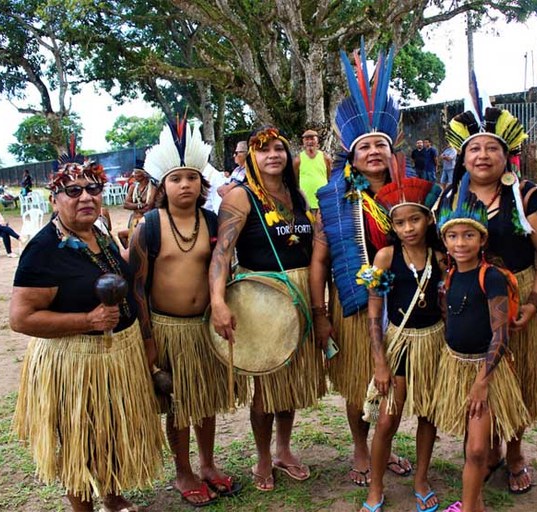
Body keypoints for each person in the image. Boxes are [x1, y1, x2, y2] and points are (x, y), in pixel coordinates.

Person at [10, 146, 163, 512]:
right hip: (74, 362)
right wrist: (87, 321)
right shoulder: (43, 250)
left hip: (117, 356)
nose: (85, 197)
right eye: (73, 190)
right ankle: (83, 508)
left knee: (109, 431)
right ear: (55, 197)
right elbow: (21, 318)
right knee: (79, 440)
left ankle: (112, 498)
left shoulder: (99, 231)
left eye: (93, 189)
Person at [438, 107, 537, 494]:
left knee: (518, 376)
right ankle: (484, 448)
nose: (483, 155)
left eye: (492, 148)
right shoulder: (449, 197)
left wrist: (535, 301)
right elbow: (441, 253)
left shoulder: (528, 196)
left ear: (507, 156)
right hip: (468, 298)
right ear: (463, 156)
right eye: (475, 148)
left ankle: (516, 452)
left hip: (516, 295)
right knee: (477, 374)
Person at [311, 43, 412, 489]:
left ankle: (384, 448)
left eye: (380, 145)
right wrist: (319, 314)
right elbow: (319, 261)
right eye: (365, 146)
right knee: (359, 381)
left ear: (391, 154)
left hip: (406, 303)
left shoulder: (413, 195)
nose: (373, 151)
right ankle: (359, 445)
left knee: (397, 380)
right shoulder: (334, 199)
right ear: (352, 155)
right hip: (353, 306)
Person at [130, 119, 240, 507]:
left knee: (204, 400)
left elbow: (223, 269)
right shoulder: (149, 226)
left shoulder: (211, 222)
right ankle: (183, 471)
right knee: (177, 405)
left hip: (202, 328)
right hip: (166, 329)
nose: (185, 185)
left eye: (192, 178)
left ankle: (207, 464)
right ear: (163, 186)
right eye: (176, 179)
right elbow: (137, 288)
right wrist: (148, 341)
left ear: (201, 183)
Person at [210, 125, 326, 492]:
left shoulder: (299, 198)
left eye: (278, 148)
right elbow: (222, 253)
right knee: (266, 385)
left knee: (288, 384)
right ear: (251, 159)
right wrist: (217, 301)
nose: (273, 155)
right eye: (264, 151)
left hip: (301, 294)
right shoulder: (240, 198)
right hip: (262, 298)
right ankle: (263, 456)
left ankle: (284, 450)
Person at [434, 182, 530, 512]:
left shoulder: (491, 277)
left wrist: (482, 381)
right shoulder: (448, 277)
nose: (461, 243)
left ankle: (471, 506)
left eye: (469, 235)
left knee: (477, 449)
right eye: (453, 236)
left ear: (482, 239)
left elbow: (500, 334)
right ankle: (475, 504)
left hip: (484, 372)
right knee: (471, 442)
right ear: (445, 240)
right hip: (455, 366)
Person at [356, 168, 445, 512]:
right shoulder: (385, 258)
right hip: (399, 344)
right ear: (391, 226)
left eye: (415, 220)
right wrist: (380, 362)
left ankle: (421, 479)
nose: (408, 229)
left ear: (427, 220)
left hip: (434, 343)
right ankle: (375, 487)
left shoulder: (441, 257)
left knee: (428, 415)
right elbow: (374, 313)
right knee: (388, 418)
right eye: (400, 223)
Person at [294, 129, 332, 212]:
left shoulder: (326, 158)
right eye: (306, 139)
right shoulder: (298, 160)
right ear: (303, 142)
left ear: (317, 141)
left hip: (323, 200)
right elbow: (295, 180)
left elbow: (329, 177)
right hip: (305, 202)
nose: (309, 142)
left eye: (312, 139)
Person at [119, 163, 156, 248]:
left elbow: (148, 208)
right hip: (134, 221)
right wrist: (140, 205)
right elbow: (125, 205)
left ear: (144, 174)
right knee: (122, 236)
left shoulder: (153, 189)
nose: (133, 175)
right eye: (133, 172)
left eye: (136, 172)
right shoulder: (133, 187)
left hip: (146, 222)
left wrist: (134, 207)